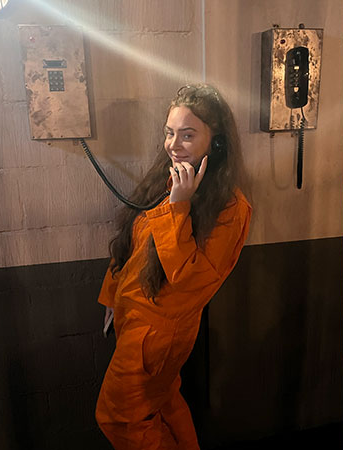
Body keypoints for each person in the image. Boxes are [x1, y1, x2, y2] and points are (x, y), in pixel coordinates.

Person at [95, 84, 252, 449]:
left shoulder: (230, 208)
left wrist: (178, 208)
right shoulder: (167, 180)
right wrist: (110, 298)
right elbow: (131, 246)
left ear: (215, 142)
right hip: (133, 318)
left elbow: (190, 281)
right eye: (169, 133)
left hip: (159, 333)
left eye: (187, 134)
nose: (173, 144)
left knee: (120, 418)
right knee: (162, 404)